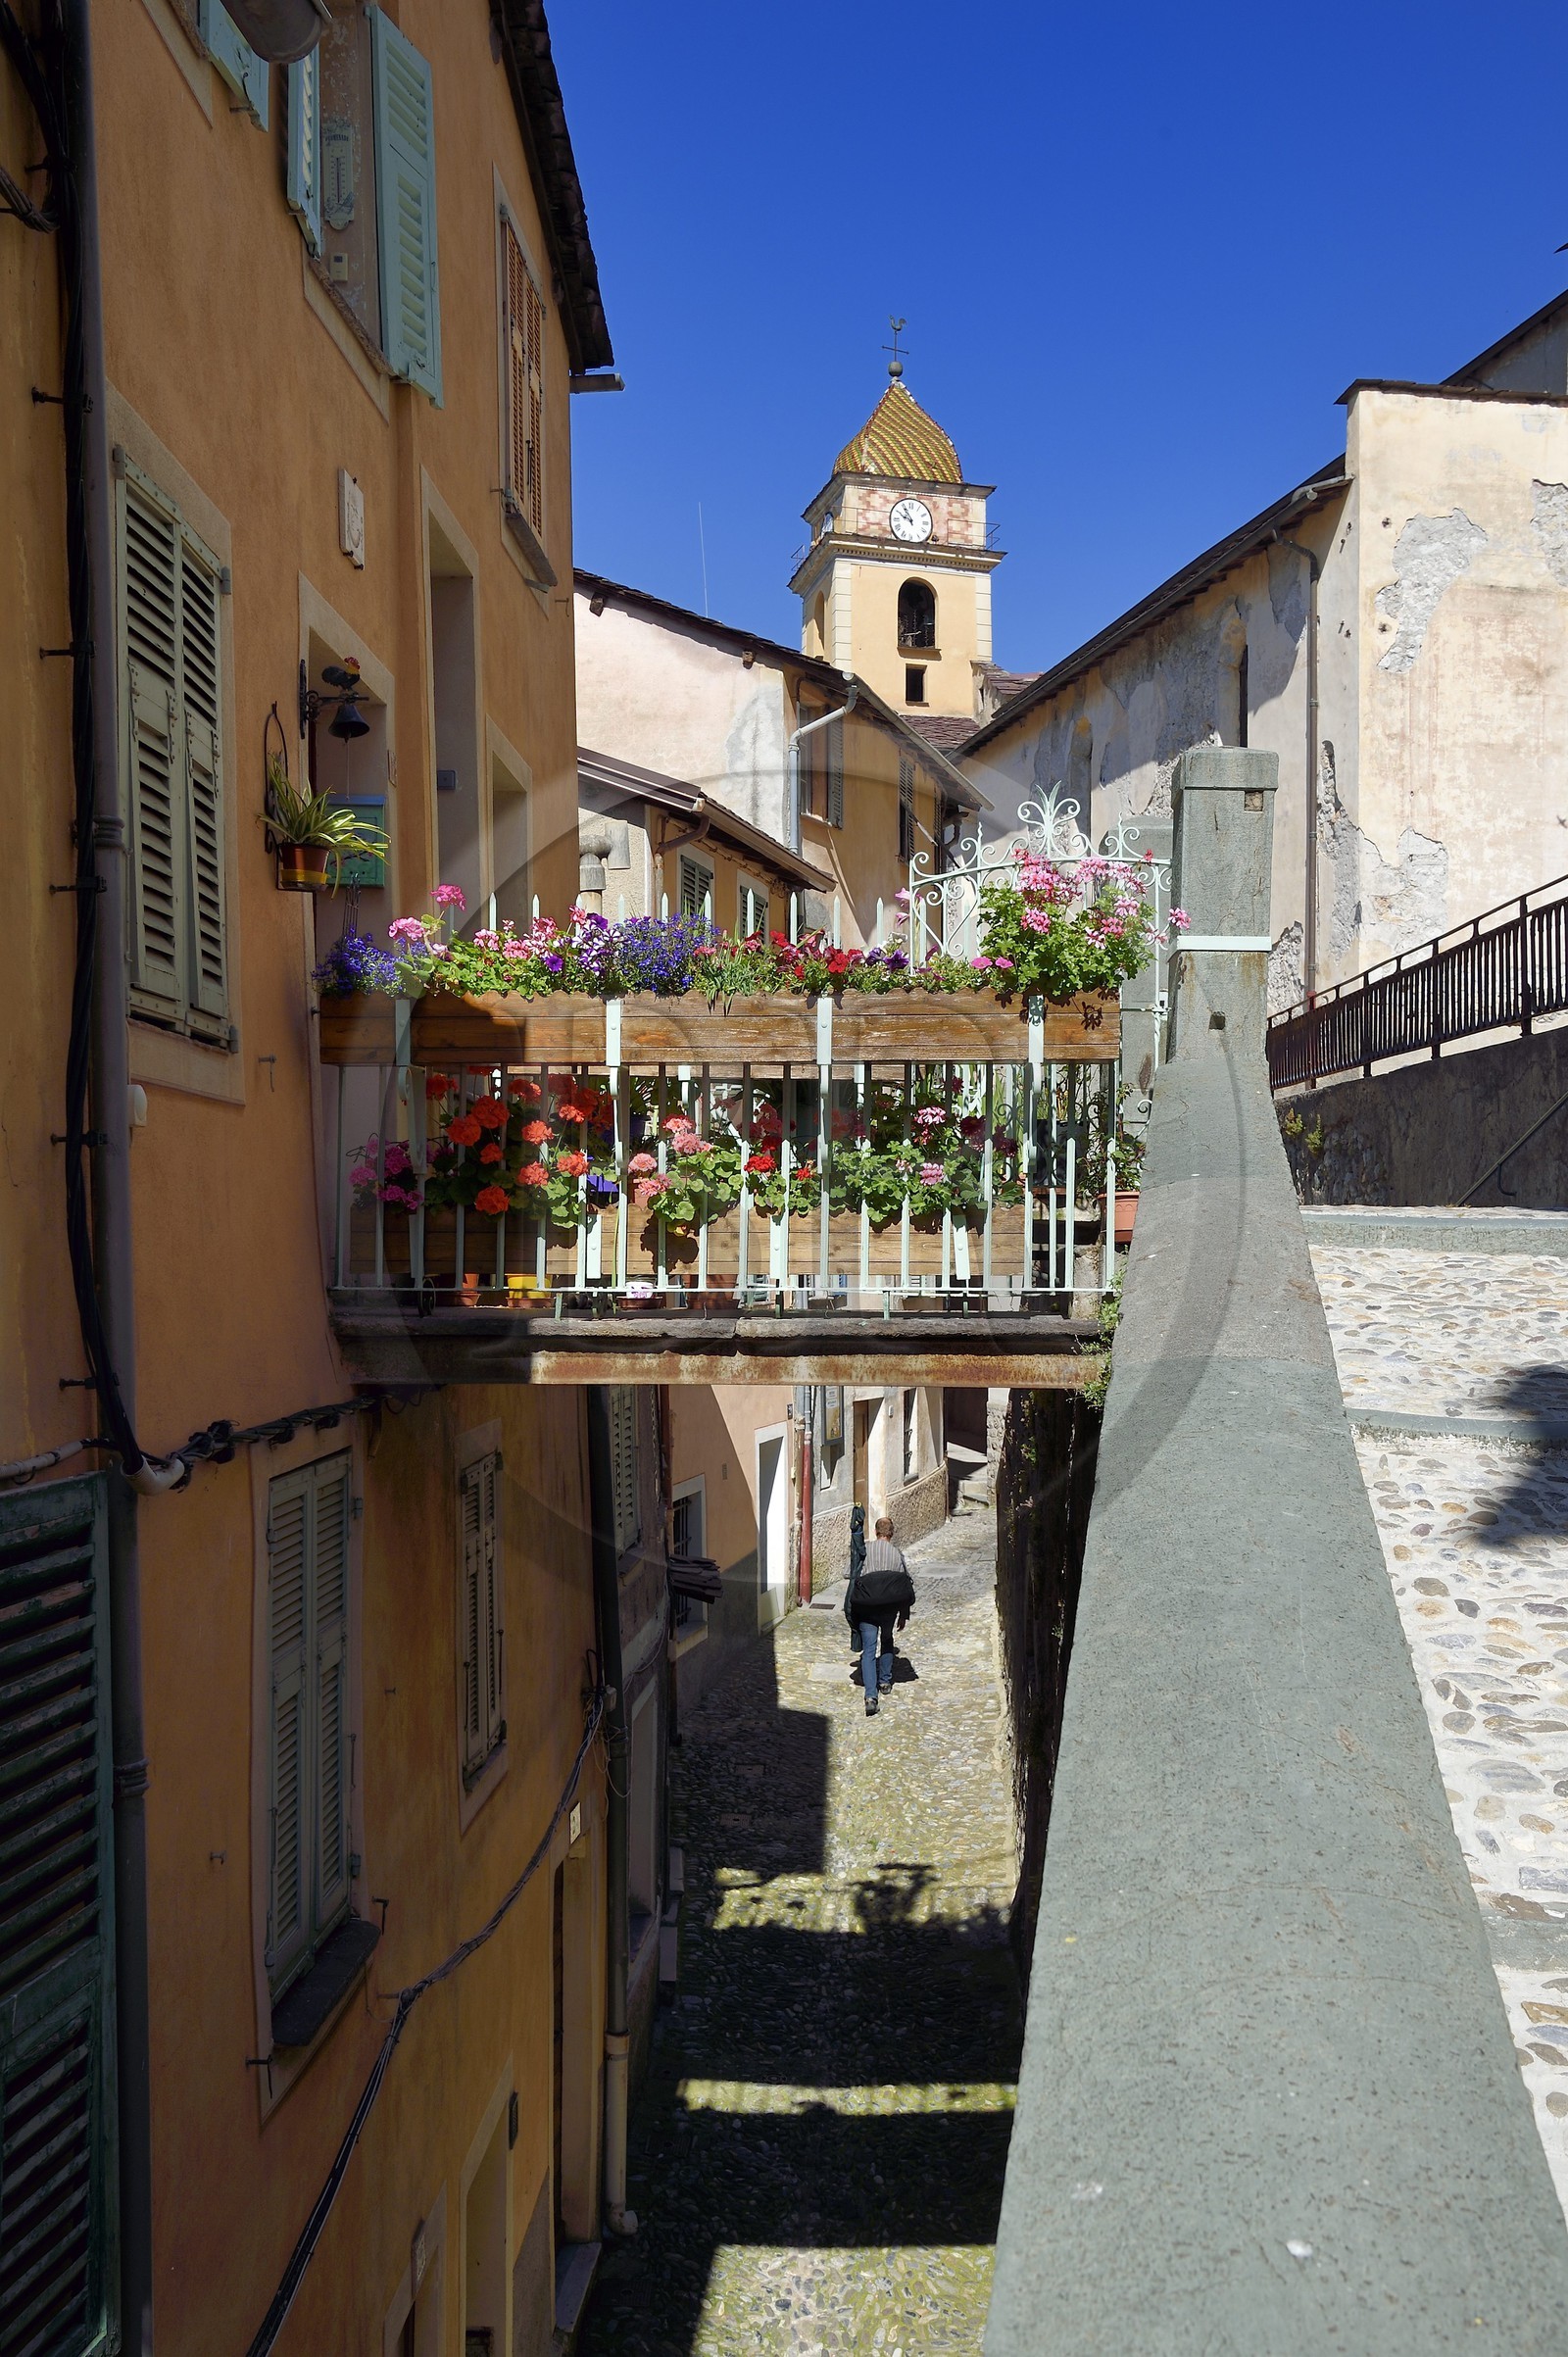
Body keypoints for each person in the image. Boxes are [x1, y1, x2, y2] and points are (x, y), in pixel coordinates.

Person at [851, 1515, 915, 1717]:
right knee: (887, 1640)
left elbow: (849, 1573)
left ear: (876, 1532)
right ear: (891, 1533)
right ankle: (885, 1681)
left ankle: (871, 1696)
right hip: (889, 1609)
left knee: (869, 1650)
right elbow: (906, 1584)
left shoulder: (866, 1551)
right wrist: (903, 1614)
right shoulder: (897, 1555)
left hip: (867, 1609)